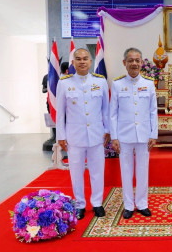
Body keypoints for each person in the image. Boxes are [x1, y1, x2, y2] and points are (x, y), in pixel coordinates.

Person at [56, 48, 110, 220]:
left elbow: (106, 110)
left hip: (96, 135)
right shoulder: (64, 83)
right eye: (78, 59)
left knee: (97, 171)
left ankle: (97, 203)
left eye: (85, 58)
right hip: (74, 137)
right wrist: (61, 136)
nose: (82, 61)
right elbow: (60, 113)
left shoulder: (100, 82)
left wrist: (108, 130)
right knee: (76, 172)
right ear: (73, 63)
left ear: (91, 61)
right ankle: (79, 204)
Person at [110, 47, 158, 219]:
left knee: (143, 170)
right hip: (124, 135)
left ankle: (142, 203)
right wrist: (114, 136)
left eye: (137, 60)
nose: (134, 63)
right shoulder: (117, 84)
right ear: (124, 63)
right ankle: (129, 205)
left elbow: (153, 111)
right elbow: (113, 113)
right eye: (130, 60)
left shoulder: (148, 83)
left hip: (144, 135)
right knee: (126, 170)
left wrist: (154, 134)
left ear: (142, 63)